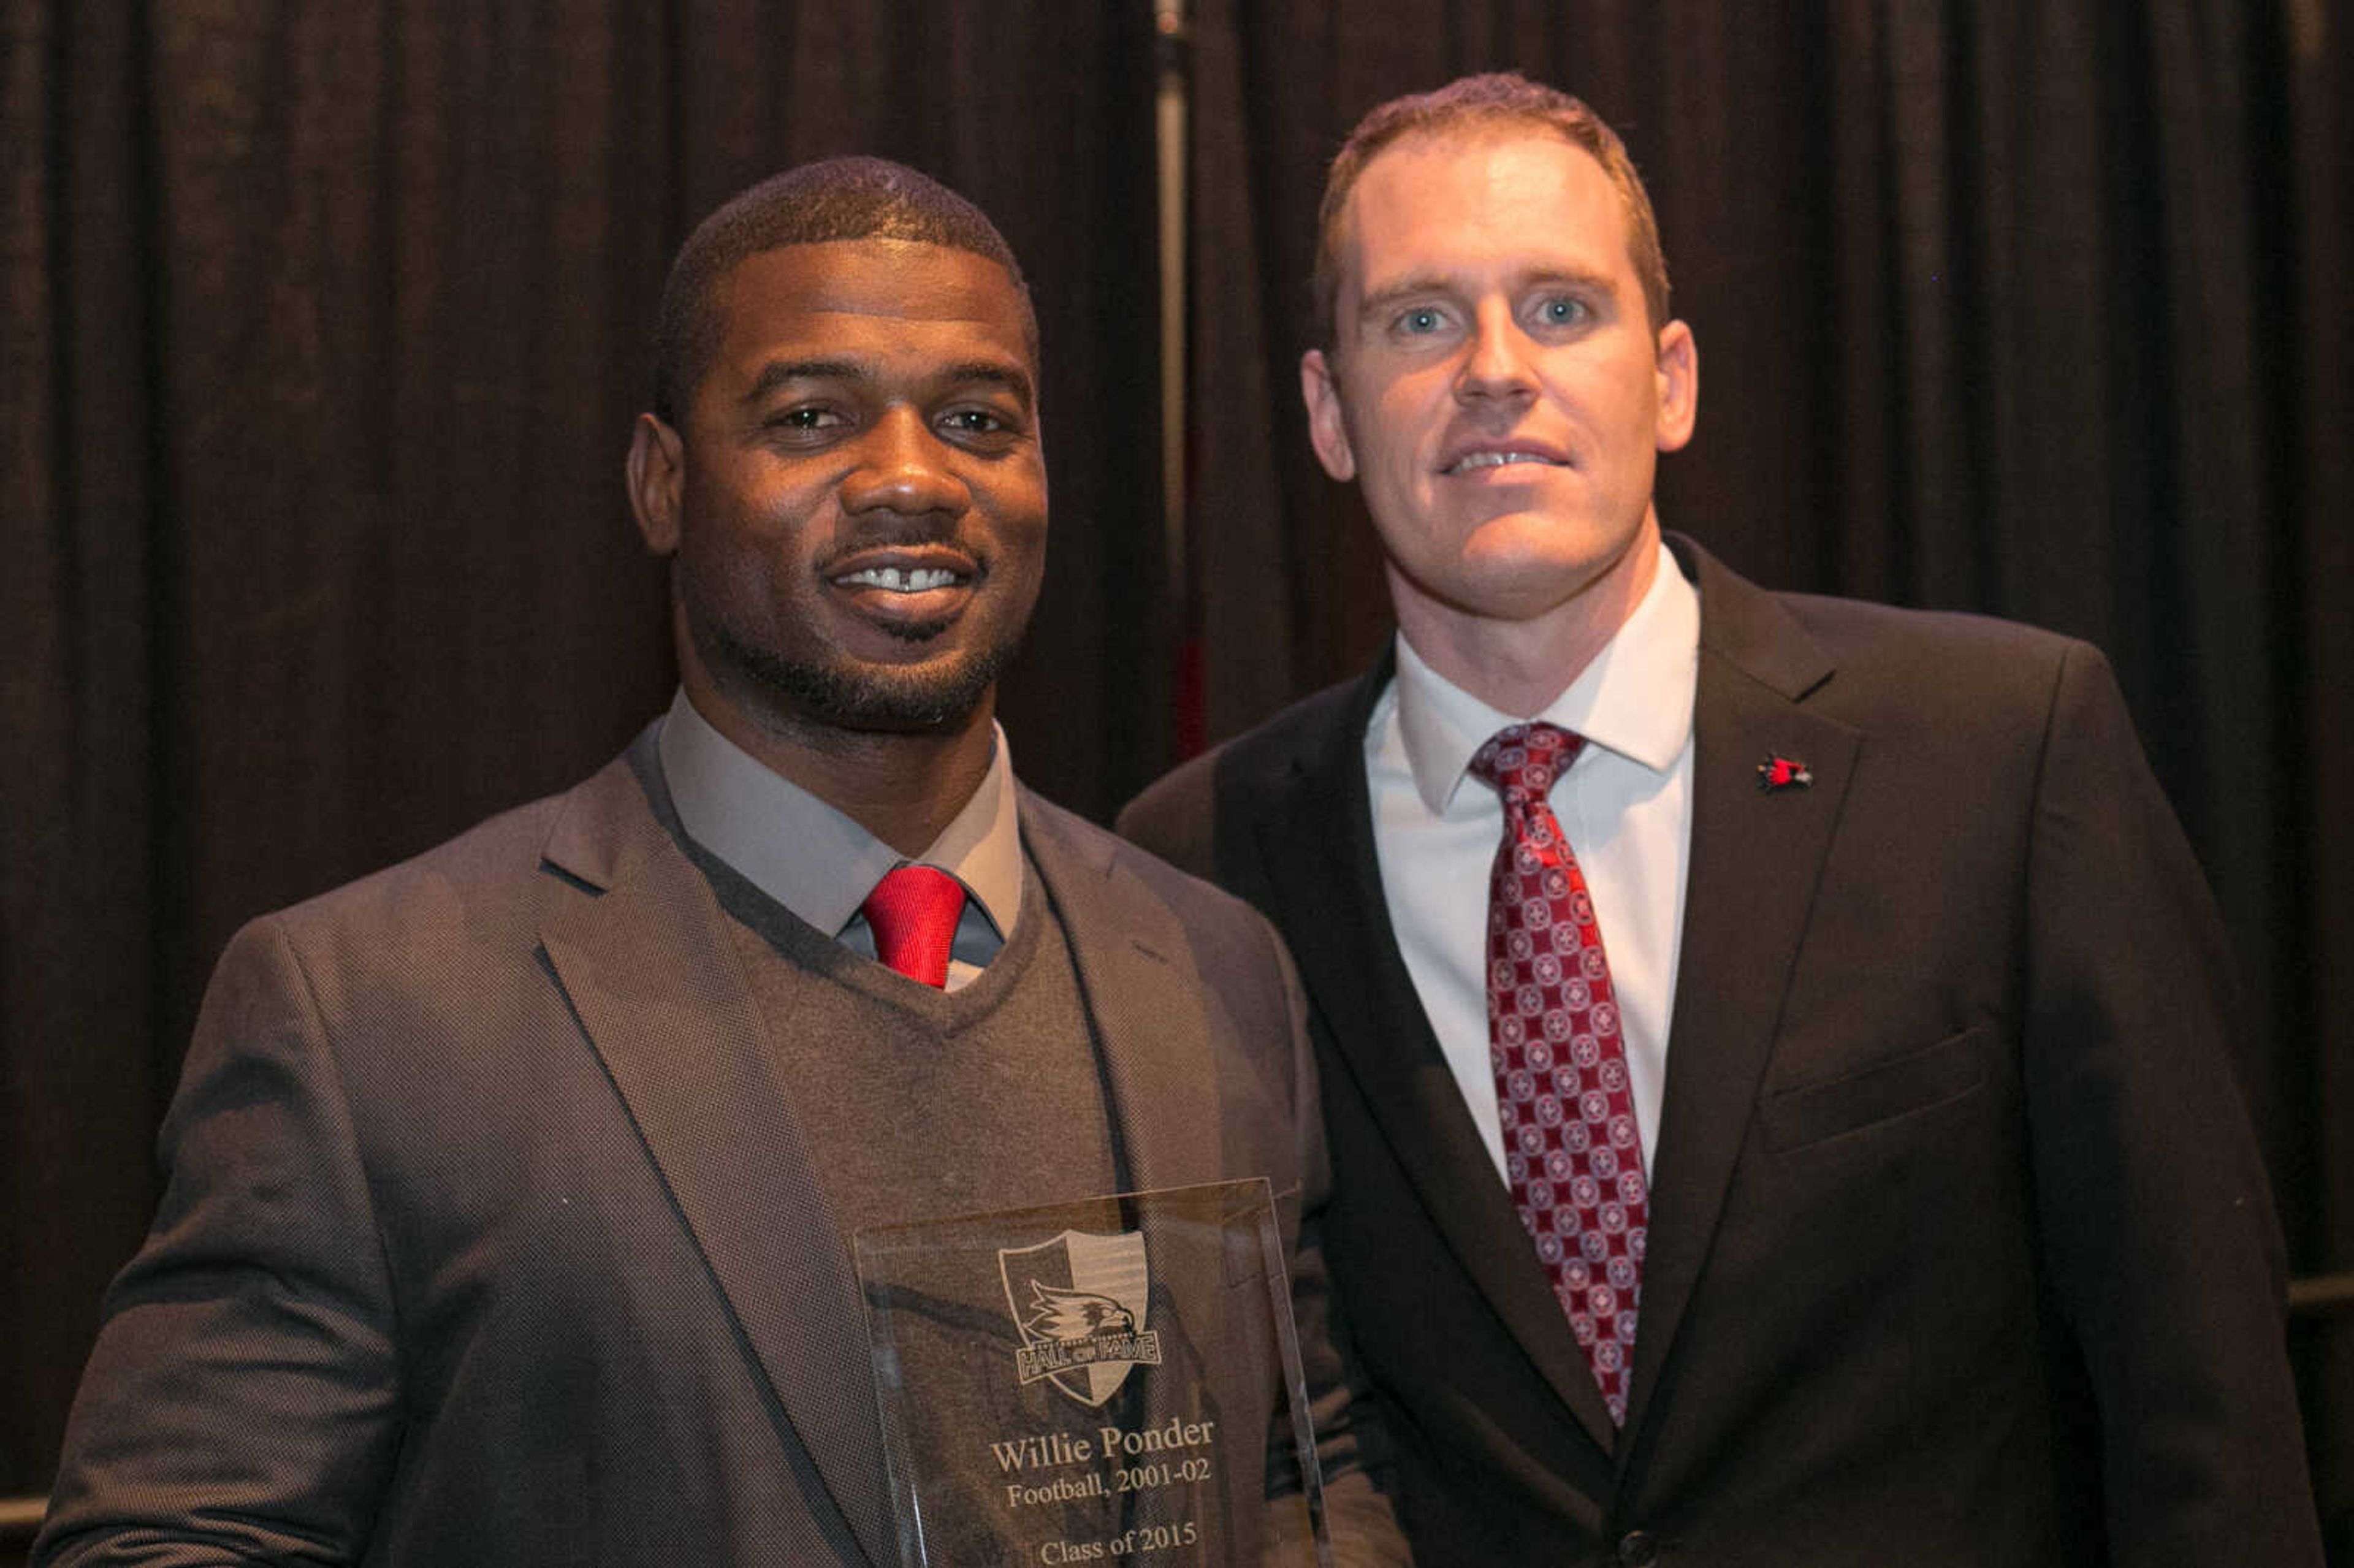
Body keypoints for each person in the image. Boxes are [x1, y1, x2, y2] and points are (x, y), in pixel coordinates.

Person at [35, 158, 1406, 1567]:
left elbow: (1306, 1472)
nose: (911, 477)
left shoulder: (1216, 968)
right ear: (664, 482)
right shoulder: (368, 1015)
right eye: (814, 417)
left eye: (978, 419)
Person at [1118, 73, 2322, 1567]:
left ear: (1672, 378)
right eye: (1420, 320)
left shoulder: (2002, 751)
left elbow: (2201, 1396)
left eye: (1561, 309)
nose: (1495, 369)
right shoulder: (1195, 871)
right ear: (1328, 412)